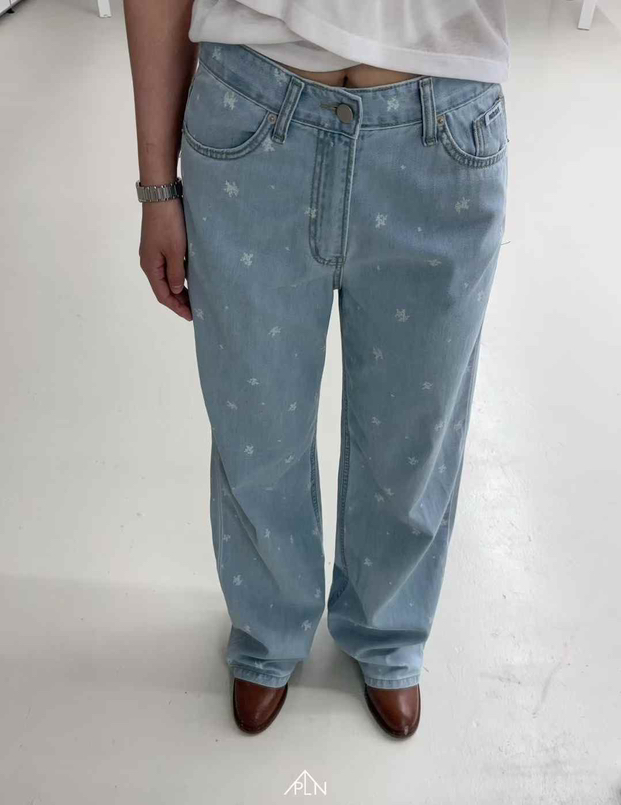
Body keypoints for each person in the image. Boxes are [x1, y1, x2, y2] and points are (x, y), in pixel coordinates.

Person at [124, 0, 510, 739]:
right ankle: (268, 624)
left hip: (442, 130)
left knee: (415, 433)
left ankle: (389, 628)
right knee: (256, 425)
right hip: (252, 120)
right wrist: (156, 186)